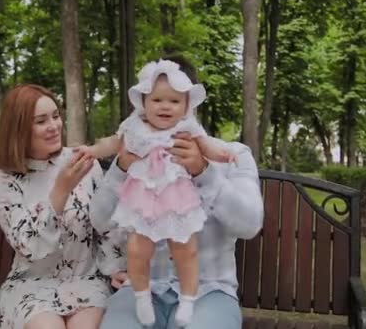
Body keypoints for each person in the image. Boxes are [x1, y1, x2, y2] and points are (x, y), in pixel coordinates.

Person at [90, 55, 264, 329]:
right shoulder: (134, 150)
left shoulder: (232, 155)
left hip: (209, 291)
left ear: (188, 104)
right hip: (141, 289)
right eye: (157, 99)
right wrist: (121, 167)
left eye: (173, 99)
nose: (165, 106)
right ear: (144, 102)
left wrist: (203, 170)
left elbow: (249, 225)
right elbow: (99, 221)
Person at [0, 84, 124, 329]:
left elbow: (106, 225)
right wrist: (60, 190)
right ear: (18, 129)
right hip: (31, 285)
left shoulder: (83, 162)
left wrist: (116, 268)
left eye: (55, 116)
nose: (54, 126)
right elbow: (28, 246)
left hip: (86, 281)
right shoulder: (5, 180)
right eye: (41, 121)